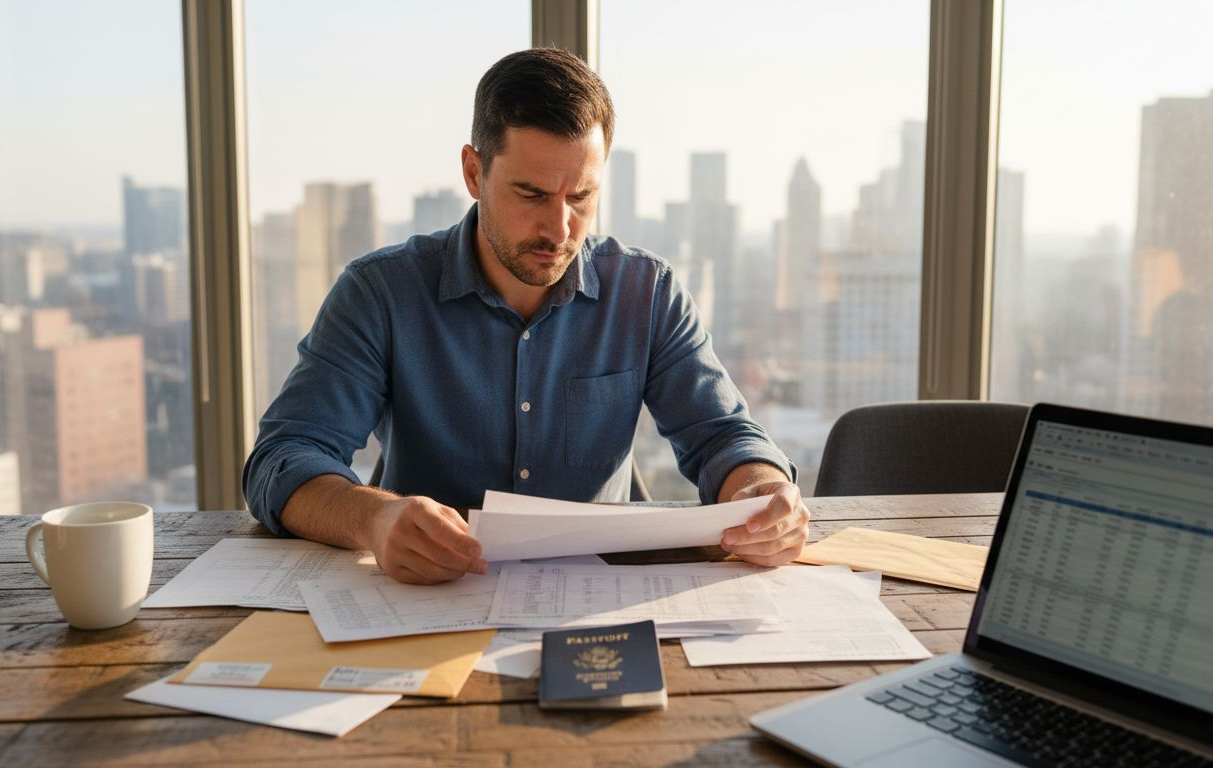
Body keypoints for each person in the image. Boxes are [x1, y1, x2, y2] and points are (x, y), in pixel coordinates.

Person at [244, 48, 809, 585]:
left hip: (603, 598)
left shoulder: (647, 292)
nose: (559, 230)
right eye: (531, 194)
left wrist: (761, 494)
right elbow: (284, 456)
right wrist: (375, 520)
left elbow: (724, 437)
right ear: (473, 172)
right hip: (427, 598)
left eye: (580, 197)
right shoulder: (380, 293)